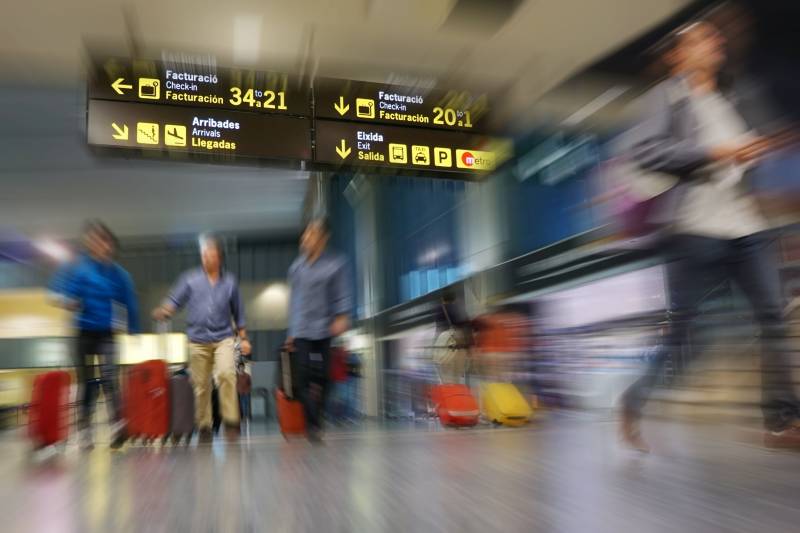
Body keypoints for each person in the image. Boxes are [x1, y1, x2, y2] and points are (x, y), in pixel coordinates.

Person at [619, 20, 800, 451]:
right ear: (678, 56)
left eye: (715, 38)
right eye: (702, 39)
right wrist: (713, 153)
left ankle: (781, 420)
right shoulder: (667, 97)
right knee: (685, 331)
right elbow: (647, 151)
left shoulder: (729, 99)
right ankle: (633, 399)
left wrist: (757, 151)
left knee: (773, 318)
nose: (714, 43)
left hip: (747, 227)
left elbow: (744, 158)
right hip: (694, 230)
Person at [49, 220, 139, 450]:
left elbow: (129, 302)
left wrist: (134, 329)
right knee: (87, 383)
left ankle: (118, 426)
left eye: (103, 240)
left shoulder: (119, 274)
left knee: (110, 380)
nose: (99, 245)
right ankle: (85, 429)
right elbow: (55, 291)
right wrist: (66, 301)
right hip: (83, 333)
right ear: (89, 244)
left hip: (106, 334)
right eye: (94, 240)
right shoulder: (78, 267)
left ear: (110, 244)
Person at [152, 233, 251, 442]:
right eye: (204, 254)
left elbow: (239, 312)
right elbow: (174, 300)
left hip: (224, 337)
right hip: (197, 339)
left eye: (212, 253)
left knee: (226, 374)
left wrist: (244, 339)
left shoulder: (230, 282)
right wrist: (165, 310)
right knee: (201, 384)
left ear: (219, 257)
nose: (207, 257)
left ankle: (231, 421)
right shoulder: (190, 279)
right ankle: (204, 425)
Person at [285, 218, 352, 443]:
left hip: (325, 328)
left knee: (324, 377)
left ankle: (318, 414)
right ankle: (313, 424)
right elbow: (294, 301)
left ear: (323, 238)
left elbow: (341, 293)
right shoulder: (296, 268)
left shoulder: (336, 264)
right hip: (302, 329)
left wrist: (342, 316)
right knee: (302, 378)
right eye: (305, 234)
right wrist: (292, 331)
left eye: (311, 234)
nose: (305, 238)